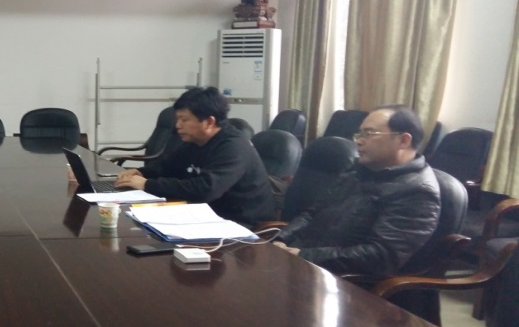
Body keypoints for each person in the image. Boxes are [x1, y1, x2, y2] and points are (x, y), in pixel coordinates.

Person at [273, 105, 440, 276]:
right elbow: (313, 213)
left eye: (369, 134)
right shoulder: (357, 170)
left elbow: (379, 257)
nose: (359, 141)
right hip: (305, 261)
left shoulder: (418, 192)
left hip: (341, 279)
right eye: (359, 134)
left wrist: (302, 255)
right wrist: (279, 239)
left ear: (403, 141)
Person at [115, 87, 274, 227]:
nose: (177, 125)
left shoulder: (234, 146)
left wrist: (147, 184)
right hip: (204, 214)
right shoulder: (196, 141)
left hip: (239, 224)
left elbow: (206, 189)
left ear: (209, 122)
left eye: (184, 120)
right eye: (177, 119)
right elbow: (168, 167)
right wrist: (142, 173)